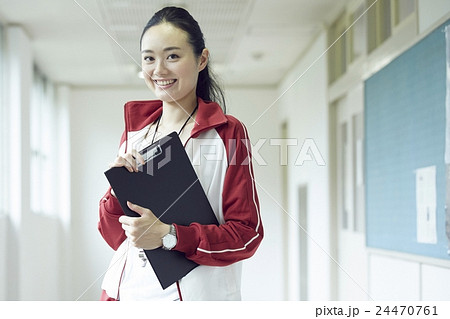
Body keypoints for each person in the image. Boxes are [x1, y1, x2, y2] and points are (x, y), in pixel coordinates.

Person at [98, 6, 263, 301]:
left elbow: (247, 235)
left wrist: (170, 235)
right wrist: (116, 190)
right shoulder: (135, 134)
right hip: (124, 296)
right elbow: (115, 236)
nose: (159, 70)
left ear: (201, 59)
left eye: (172, 56)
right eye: (149, 58)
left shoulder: (227, 134)